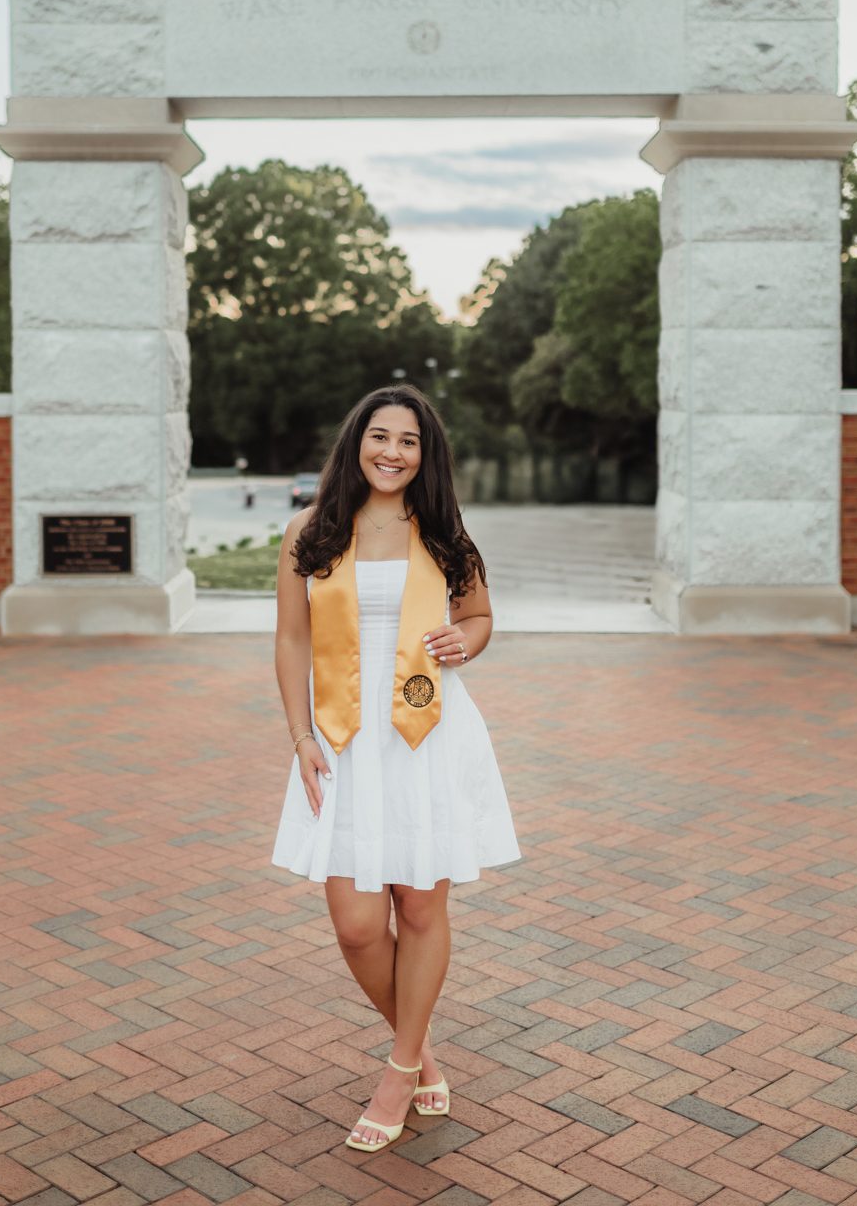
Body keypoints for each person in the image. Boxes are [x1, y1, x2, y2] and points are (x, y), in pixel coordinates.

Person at [270, 383, 521, 1152]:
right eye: (379, 436)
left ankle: (399, 1066)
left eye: (407, 441)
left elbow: (478, 617)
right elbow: (289, 642)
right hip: (343, 740)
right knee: (354, 926)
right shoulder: (311, 532)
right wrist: (300, 736)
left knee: (418, 909)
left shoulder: (442, 530)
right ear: (356, 443)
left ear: (425, 455)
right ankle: (423, 1052)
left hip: (426, 734)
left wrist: (465, 642)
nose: (391, 452)